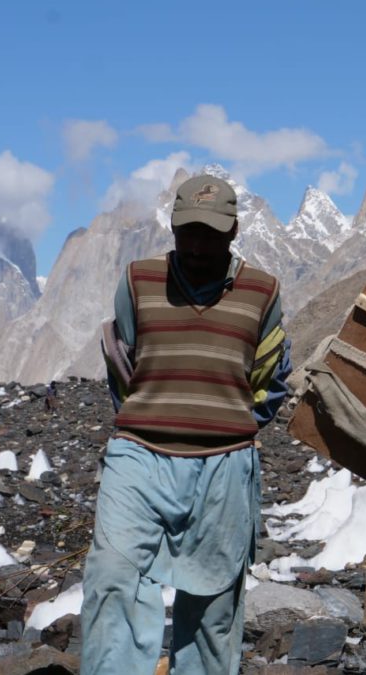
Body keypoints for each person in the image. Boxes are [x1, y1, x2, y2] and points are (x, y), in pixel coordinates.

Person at [80, 174, 292, 674]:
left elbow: (269, 381)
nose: (198, 245)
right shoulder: (138, 281)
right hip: (139, 456)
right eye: (188, 232)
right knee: (113, 576)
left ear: (235, 230)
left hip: (224, 465)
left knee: (215, 602)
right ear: (173, 227)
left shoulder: (264, 293)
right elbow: (121, 363)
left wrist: (228, 425)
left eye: (212, 233)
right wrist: (150, 417)